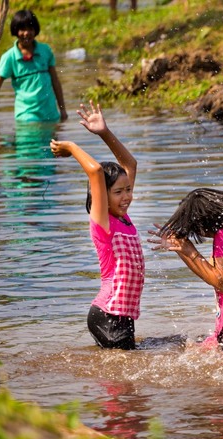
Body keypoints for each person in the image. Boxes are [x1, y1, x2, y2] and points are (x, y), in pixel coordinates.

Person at [50, 102, 144, 350]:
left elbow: (130, 165)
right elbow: (94, 171)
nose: (126, 197)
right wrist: (70, 146)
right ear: (103, 194)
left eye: (128, 190)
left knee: (126, 379)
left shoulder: (124, 218)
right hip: (107, 314)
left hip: (122, 315)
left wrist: (104, 132)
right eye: (118, 192)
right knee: (124, 381)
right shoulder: (103, 221)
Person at [149, 188, 223, 353]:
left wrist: (190, 251)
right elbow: (212, 273)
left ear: (199, 222)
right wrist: (181, 249)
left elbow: (221, 283)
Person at [0, 9, 68, 124]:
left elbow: (55, 82)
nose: (27, 33)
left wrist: (63, 110)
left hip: (51, 116)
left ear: (35, 30)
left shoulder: (45, 51)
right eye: (22, 29)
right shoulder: (10, 57)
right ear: (15, 30)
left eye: (30, 29)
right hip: (26, 119)